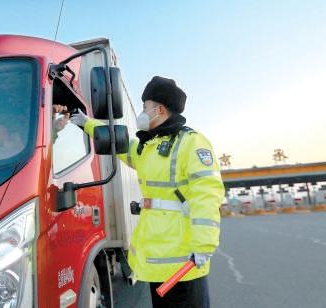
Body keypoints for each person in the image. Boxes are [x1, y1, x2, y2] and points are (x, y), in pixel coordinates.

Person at [71, 76, 225, 307]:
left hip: (185, 262)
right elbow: (118, 142)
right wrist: (86, 123)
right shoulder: (149, 147)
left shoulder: (192, 143)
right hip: (158, 262)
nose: (141, 113)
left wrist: (204, 246)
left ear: (159, 110)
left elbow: (207, 195)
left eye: (145, 107)